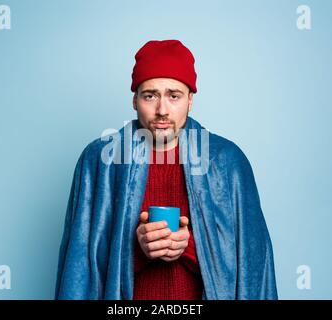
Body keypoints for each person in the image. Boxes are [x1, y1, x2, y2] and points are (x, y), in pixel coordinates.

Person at [55, 40, 278, 300]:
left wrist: (190, 247)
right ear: (134, 100)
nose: (162, 110)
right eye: (150, 95)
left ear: (190, 100)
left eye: (174, 96)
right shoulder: (101, 161)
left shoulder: (227, 162)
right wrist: (136, 250)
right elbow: (80, 267)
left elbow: (254, 267)